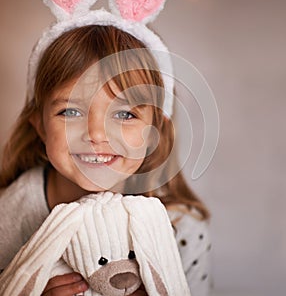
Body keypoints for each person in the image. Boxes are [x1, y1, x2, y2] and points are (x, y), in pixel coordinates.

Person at [0, 24, 211, 295]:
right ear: (40, 126)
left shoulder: (182, 228)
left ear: (154, 131)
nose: (97, 134)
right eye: (71, 111)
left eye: (125, 114)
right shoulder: (7, 216)